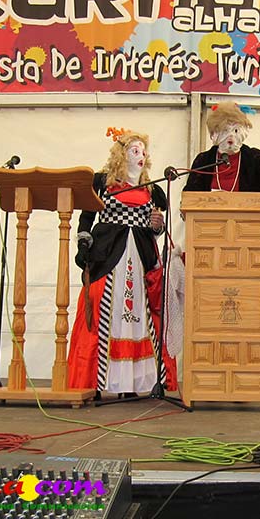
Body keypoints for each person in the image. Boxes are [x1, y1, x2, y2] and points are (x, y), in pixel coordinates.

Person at [67, 127, 177, 396]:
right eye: (134, 150)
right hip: (107, 256)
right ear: (121, 154)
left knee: (139, 314)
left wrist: (157, 226)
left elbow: (156, 228)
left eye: (143, 152)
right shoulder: (101, 183)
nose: (141, 156)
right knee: (104, 313)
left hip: (140, 259)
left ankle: (135, 383)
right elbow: (86, 218)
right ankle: (97, 381)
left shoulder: (153, 190)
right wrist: (83, 243)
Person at [183, 102, 260, 198]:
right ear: (214, 133)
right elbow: (189, 199)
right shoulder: (204, 161)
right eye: (225, 130)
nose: (230, 136)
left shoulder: (255, 158)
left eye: (235, 130)